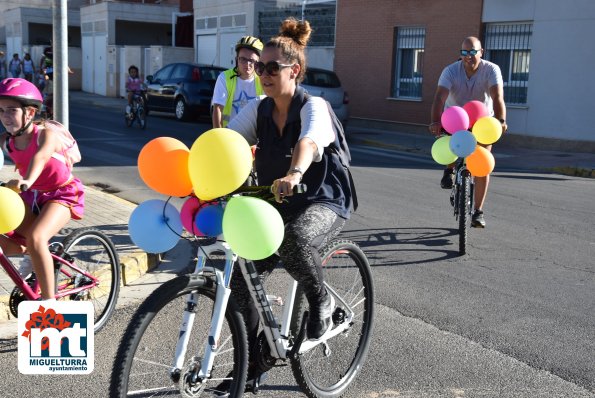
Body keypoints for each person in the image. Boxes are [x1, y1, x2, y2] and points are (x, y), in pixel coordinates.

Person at [224, 17, 355, 391]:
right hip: (276, 201)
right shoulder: (261, 110)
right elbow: (230, 140)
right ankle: (252, 364)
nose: (262, 73)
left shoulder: (314, 106)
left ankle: (322, 304)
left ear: (293, 70)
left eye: (271, 67)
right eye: (259, 67)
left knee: (295, 240)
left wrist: (295, 172)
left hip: (322, 198)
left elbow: (310, 142)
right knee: (240, 278)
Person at [0, 78, 85, 300]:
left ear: (29, 112)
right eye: (0, 111)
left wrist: (26, 180)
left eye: (11, 110)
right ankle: (40, 258)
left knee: (36, 238)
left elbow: (41, 156)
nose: (5, 116)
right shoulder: (8, 141)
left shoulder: (46, 135)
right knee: (13, 244)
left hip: (62, 194)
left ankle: (49, 304)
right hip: (32, 196)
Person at [429, 36, 507, 228]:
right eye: (464, 52)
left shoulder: (491, 69)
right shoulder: (450, 71)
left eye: (473, 52)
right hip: (455, 118)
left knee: (483, 163)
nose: (468, 56)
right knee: (449, 139)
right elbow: (439, 98)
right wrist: (434, 121)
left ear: (482, 52)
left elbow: (497, 97)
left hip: (482, 121)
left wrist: (501, 121)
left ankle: (478, 212)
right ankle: (449, 170)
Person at [211, 35, 264, 128]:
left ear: (258, 62)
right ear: (237, 59)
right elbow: (218, 109)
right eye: (243, 59)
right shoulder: (224, 77)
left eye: (252, 60)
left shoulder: (262, 79)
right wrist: (218, 136)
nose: (247, 64)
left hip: (253, 136)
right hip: (229, 134)